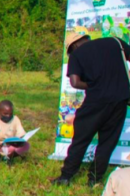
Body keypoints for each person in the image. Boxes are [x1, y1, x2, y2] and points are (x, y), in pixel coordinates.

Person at [53, 33, 130, 186]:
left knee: (81, 140)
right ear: (85, 39)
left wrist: (93, 85)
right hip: (120, 99)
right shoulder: (115, 42)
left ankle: (66, 177)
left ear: (73, 46)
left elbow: (75, 82)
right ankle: (94, 179)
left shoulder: (77, 55)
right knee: (107, 142)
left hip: (96, 101)